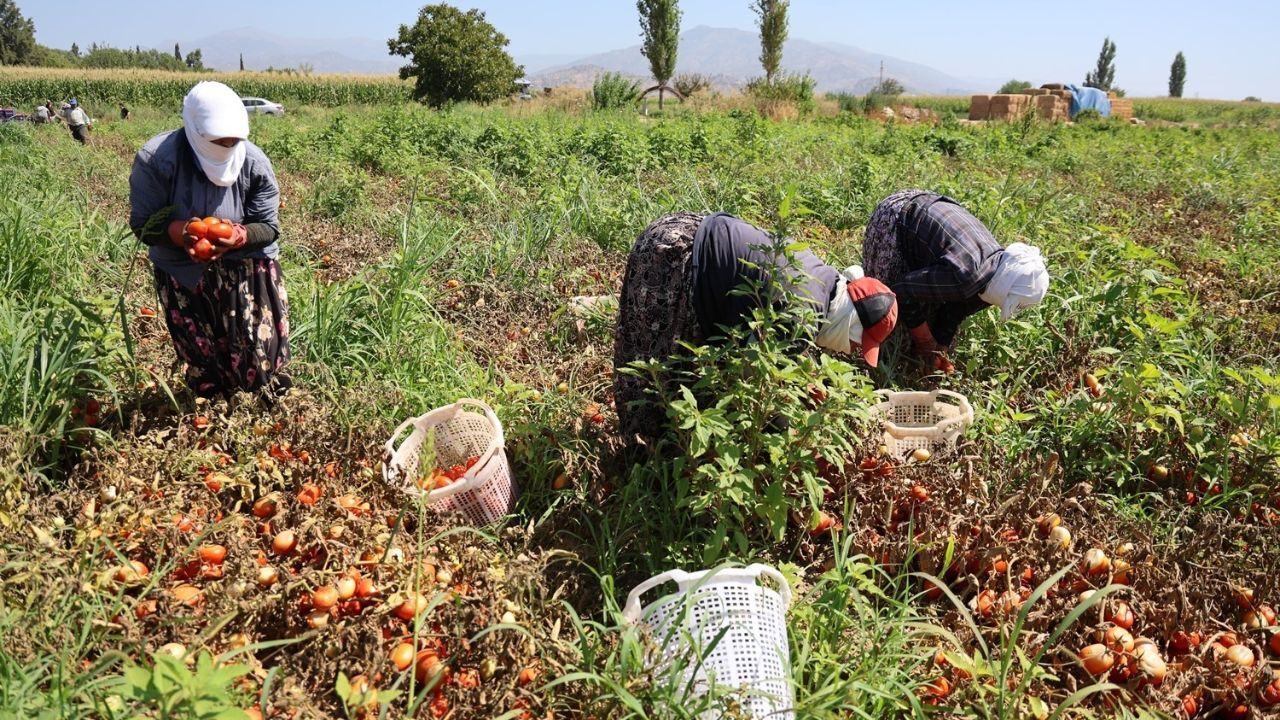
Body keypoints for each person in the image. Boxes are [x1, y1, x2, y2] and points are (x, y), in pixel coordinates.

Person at [613, 212, 898, 441]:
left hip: (684, 227)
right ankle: (647, 457)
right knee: (658, 368)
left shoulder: (823, 283)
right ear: (851, 323)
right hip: (674, 256)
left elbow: (782, 338)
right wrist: (792, 435)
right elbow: (756, 381)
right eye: (857, 343)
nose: (851, 351)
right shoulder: (803, 312)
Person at [128, 81, 291, 400]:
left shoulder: (254, 163)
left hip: (247, 268)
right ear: (194, 130)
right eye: (219, 140)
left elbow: (268, 227)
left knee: (260, 349)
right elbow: (144, 225)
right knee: (203, 351)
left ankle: (268, 406)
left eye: (234, 141)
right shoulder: (158, 160)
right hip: (184, 274)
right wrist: (185, 233)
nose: (227, 145)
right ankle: (216, 412)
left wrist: (238, 236)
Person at [862, 189, 1049, 361]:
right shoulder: (966, 276)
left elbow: (955, 310)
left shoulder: (996, 274)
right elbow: (899, 291)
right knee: (891, 327)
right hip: (896, 216)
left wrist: (940, 349)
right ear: (1007, 291)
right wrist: (925, 341)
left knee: (933, 330)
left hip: (925, 215)